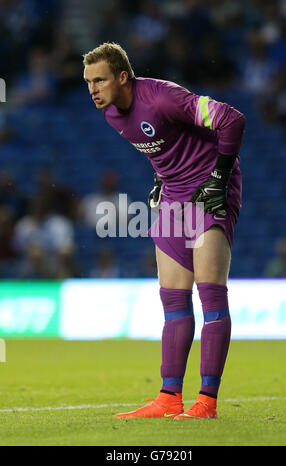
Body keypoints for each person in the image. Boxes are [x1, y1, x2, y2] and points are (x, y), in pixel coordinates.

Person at [83, 42, 245, 420]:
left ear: (123, 76)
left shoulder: (163, 98)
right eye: (88, 81)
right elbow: (165, 146)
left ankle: (206, 402)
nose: (93, 89)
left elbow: (232, 119)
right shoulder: (110, 113)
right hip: (173, 196)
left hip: (209, 188)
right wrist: (160, 178)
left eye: (100, 80)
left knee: (211, 295)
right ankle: (169, 397)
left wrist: (220, 178)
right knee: (173, 300)